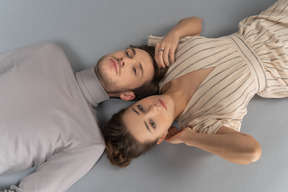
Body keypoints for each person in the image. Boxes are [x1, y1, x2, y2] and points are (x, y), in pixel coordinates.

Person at [102, 0, 288, 168]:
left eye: (140, 109)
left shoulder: (165, 65)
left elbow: (195, 23)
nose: (154, 109)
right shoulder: (200, 123)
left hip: (268, 22)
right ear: (161, 137)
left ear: (135, 102)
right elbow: (252, 152)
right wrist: (190, 138)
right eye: (151, 123)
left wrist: (174, 33)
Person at [0, 42, 167, 191]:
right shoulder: (49, 52)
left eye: (135, 69)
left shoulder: (88, 142)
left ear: (127, 96)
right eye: (128, 54)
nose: (125, 60)